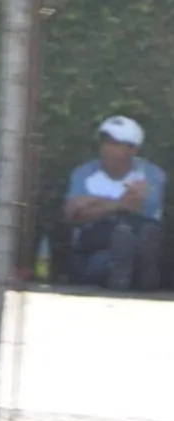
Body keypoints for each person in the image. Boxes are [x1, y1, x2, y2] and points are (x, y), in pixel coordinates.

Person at [63, 115, 165, 291]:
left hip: (138, 242)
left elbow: (142, 209)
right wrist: (118, 204)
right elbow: (72, 214)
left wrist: (92, 202)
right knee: (117, 238)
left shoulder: (151, 174)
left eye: (115, 143)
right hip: (93, 248)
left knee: (139, 232)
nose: (106, 148)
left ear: (133, 150)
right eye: (105, 142)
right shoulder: (84, 173)